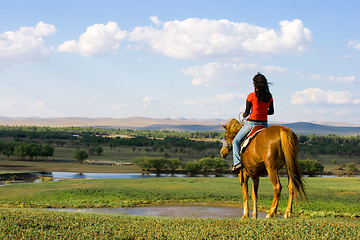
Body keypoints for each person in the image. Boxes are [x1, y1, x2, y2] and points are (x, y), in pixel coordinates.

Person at [232, 73, 274, 174]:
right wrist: (263, 112)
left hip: (251, 124)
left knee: (236, 141)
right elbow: (271, 111)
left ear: (255, 84)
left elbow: (247, 112)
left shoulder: (251, 96)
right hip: (264, 125)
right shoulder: (269, 96)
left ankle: (237, 163)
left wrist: (244, 115)